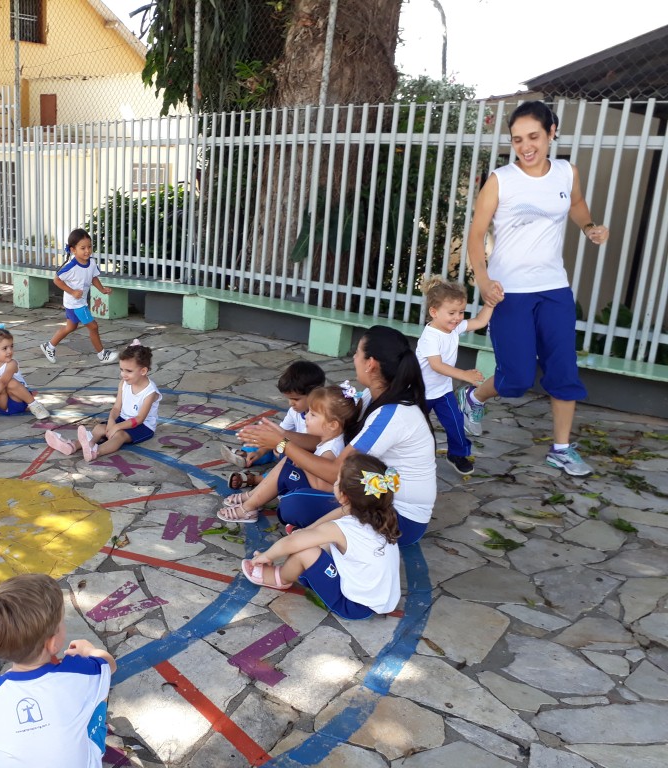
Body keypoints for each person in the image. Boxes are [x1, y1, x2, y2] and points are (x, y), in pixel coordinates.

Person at [463, 100, 609, 477]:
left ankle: (561, 448)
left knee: (563, 370)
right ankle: (474, 396)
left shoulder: (565, 172)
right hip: (509, 291)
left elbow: (575, 204)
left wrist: (589, 226)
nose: (526, 147)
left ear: (551, 133)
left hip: (554, 289)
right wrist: (482, 280)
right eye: (517, 139)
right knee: (517, 378)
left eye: (533, 137)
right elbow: (476, 236)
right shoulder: (501, 180)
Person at [240, 326, 437, 545]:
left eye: (357, 353)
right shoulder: (374, 395)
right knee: (294, 468)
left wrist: (282, 443)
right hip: (369, 494)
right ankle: (254, 502)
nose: (353, 358)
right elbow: (325, 439)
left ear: (370, 363)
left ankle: (294, 524)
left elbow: (336, 472)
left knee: (294, 504)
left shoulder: (392, 414)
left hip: (399, 517)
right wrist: (281, 436)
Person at [0, 574, 116, 768]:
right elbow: (108, 666)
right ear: (52, 644)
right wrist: (90, 651)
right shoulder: (78, 672)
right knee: (99, 692)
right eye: (62, 621)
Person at [240, 453, 401, 620]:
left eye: (337, 480)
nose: (335, 483)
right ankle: (305, 561)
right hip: (380, 599)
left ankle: (279, 577)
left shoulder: (342, 529)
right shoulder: (381, 516)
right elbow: (339, 513)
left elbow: (293, 542)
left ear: (344, 495)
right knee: (316, 540)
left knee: (305, 550)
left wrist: (267, 555)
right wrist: (307, 531)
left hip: (354, 606)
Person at [217, 383, 361, 529]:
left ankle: (248, 509)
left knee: (287, 467)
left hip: (317, 495)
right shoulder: (328, 441)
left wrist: (301, 464)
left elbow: (323, 485)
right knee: (288, 460)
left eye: (313, 414)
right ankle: (253, 496)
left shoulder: (332, 449)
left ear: (332, 425)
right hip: (311, 486)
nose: (306, 418)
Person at [415, 277, 496, 475]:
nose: (457, 318)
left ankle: (457, 454)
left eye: (461, 312)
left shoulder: (454, 328)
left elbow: (479, 321)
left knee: (456, 424)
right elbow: (436, 365)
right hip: (420, 394)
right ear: (434, 312)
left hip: (443, 392)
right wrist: (464, 375)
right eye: (451, 313)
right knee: (418, 430)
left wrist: (490, 303)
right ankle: (414, 459)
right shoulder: (430, 336)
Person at [45, 340, 160, 463]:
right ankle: (73, 446)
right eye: (122, 370)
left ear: (143, 371)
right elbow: (116, 408)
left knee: (119, 435)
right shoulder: (124, 384)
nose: (123, 375)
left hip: (143, 426)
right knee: (100, 428)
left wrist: (116, 427)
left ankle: (95, 451)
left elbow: (139, 419)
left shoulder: (150, 392)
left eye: (129, 371)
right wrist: (111, 422)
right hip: (123, 419)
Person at [220, 360, 327, 491]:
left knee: (285, 463)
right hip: (288, 446)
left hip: (305, 457)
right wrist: (260, 451)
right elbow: (281, 433)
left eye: (296, 399)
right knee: (270, 448)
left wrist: (280, 444)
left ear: (315, 394)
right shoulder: (295, 411)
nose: (291, 404)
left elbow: (315, 444)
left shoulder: (322, 418)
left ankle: (256, 479)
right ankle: (247, 455)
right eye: (289, 399)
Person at [39, 229, 118, 365]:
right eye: (83, 248)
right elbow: (57, 280)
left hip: (78, 302)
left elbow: (93, 277)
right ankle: (102, 355)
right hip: (76, 304)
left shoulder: (91, 263)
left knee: (71, 327)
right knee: (93, 326)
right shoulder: (71, 267)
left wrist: (102, 289)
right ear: (73, 249)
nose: (87, 251)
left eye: (89, 247)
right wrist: (72, 291)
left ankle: (49, 346)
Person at [0, 324, 51, 420]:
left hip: (18, 400)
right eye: (5, 348)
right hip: (2, 405)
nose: (10, 351)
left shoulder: (11, 364)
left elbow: (3, 382)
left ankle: (34, 406)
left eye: (11, 346)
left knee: (7, 381)